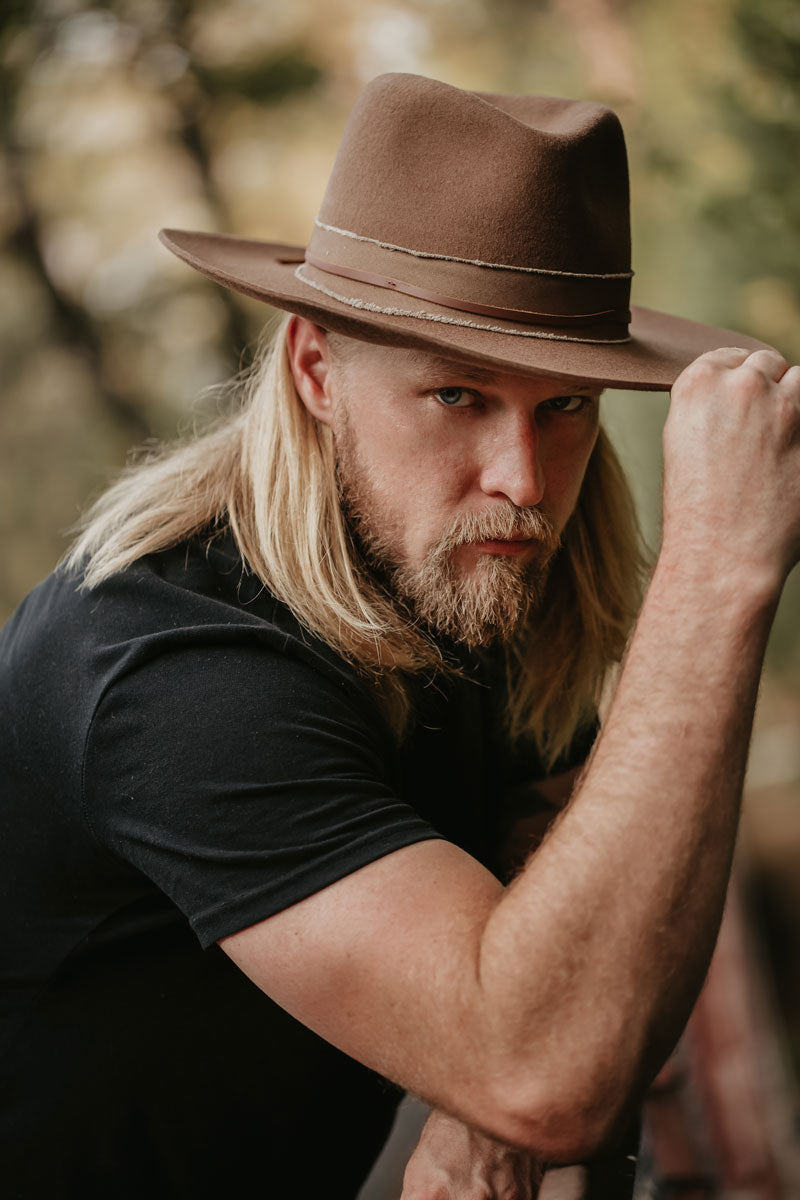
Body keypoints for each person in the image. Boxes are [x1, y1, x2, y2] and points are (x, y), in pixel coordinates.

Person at [1, 72, 798, 1200]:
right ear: (315, 369)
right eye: (456, 397)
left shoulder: (470, 579)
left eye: (564, 403)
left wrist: (488, 1121)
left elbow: (595, 923)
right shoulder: (167, 666)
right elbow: (549, 1067)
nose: (520, 482)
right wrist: (717, 568)